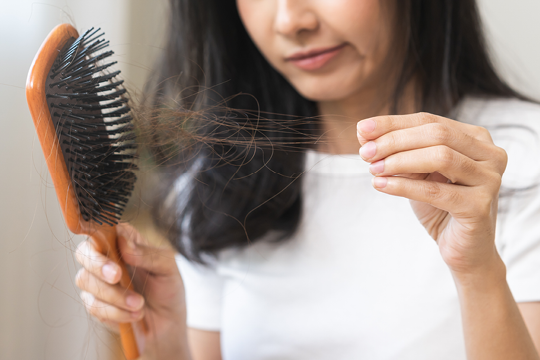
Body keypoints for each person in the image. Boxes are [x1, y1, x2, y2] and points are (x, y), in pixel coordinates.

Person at [74, 1, 540, 359]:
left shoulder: (518, 156)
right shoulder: (216, 180)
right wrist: (168, 344)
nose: (290, 21)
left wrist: (478, 272)